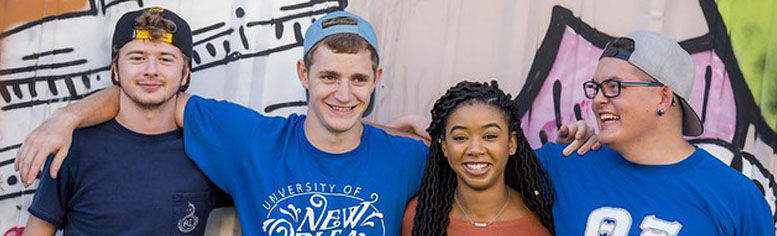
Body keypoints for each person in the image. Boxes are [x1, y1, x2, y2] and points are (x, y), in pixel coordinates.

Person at [15, 10, 596, 236]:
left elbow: (486, 162)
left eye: (357, 80)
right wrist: (67, 117)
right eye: (328, 78)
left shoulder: (408, 156)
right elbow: (148, 93)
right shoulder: (247, 139)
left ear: (376, 79)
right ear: (303, 73)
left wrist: (578, 139)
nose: (342, 94)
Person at [536, 30, 774, 235]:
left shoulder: (737, 198)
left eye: (613, 87)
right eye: (596, 87)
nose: (598, 99)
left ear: (663, 97)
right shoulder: (559, 164)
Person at [21, 7, 230, 235]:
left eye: (165, 59)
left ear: (185, 74)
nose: (151, 70)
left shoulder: (205, 151)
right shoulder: (74, 146)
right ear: (116, 69)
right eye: (137, 58)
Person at [401, 81, 553, 236]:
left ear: (511, 144)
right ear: (445, 146)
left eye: (490, 136)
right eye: (460, 137)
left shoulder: (536, 225)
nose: (475, 149)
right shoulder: (419, 216)